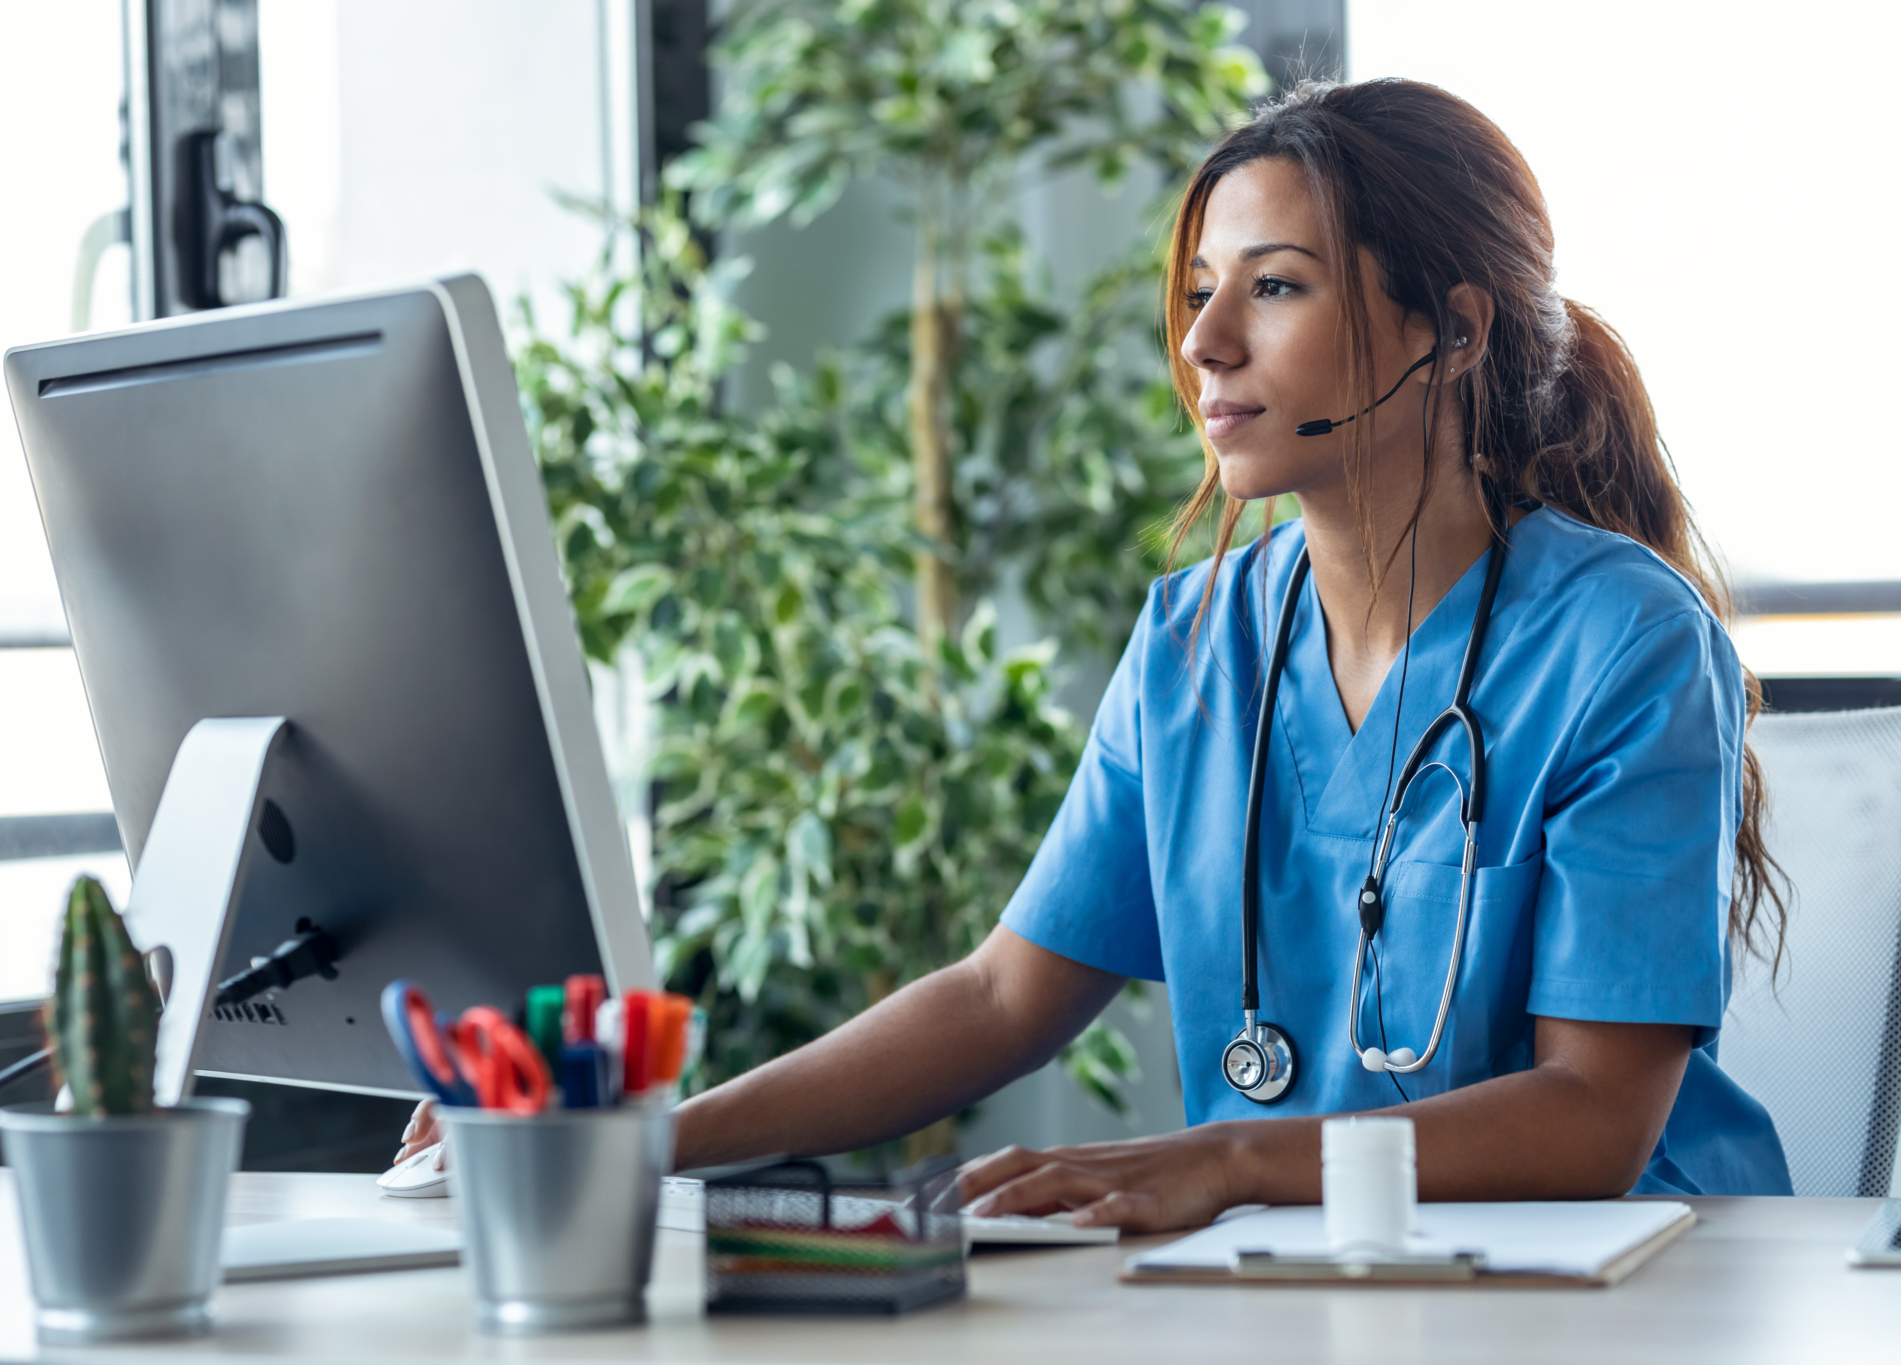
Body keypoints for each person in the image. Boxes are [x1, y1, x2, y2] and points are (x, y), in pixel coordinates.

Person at [399, 77, 1795, 1226]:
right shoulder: (1198, 638)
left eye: (1279, 287)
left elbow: (1598, 1118)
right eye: (1197, 291)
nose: (1203, 342)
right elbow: (1005, 991)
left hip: (1615, 1288)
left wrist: (1231, 1156)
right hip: (1304, 1288)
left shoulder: (1623, 644)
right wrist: (645, 1139)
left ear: (1452, 327)